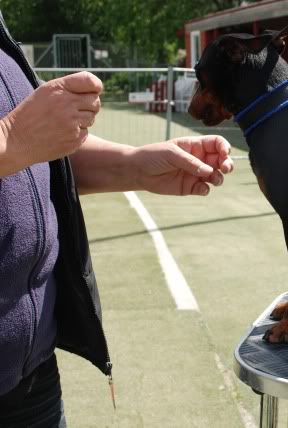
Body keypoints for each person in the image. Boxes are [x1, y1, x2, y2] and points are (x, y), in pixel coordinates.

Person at [0, 12, 234, 427]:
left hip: (29, 373)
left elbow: (37, 162)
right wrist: (13, 137)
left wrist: (133, 166)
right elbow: (16, 143)